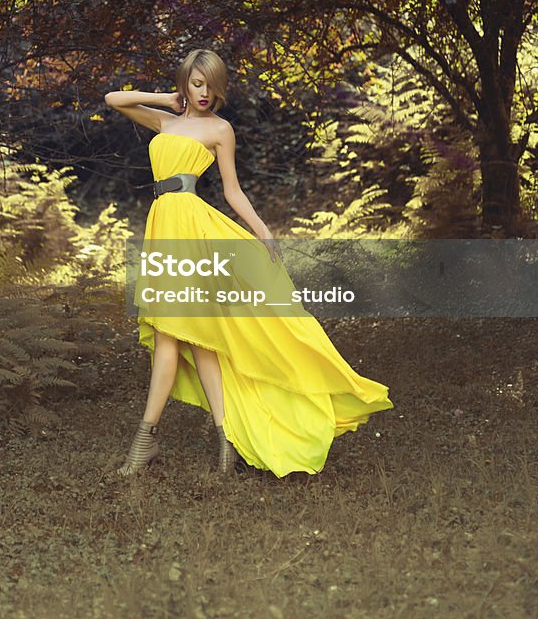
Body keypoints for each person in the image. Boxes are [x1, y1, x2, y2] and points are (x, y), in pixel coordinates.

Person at [104, 48, 393, 478]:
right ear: (185, 82)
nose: (204, 93)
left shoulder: (220, 129)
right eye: (196, 84)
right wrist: (167, 98)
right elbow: (114, 99)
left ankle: (143, 443)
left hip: (191, 227)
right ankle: (226, 444)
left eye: (210, 85)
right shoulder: (164, 120)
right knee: (196, 339)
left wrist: (264, 232)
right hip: (163, 224)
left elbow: (233, 191)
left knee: (173, 335)